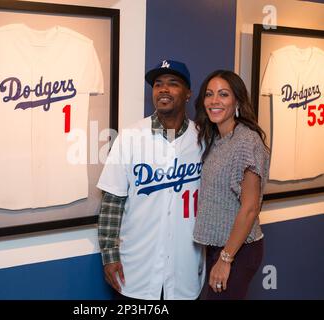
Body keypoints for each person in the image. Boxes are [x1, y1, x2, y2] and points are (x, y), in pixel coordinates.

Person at [96, 59, 205, 300]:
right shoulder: (130, 136)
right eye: (158, 84)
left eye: (173, 83)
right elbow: (112, 202)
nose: (163, 89)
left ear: (188, 93)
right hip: (136, 268)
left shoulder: (202, 139)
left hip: (185, 267)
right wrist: (109, 256)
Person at [193, 70, 270, 300]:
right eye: (209, 94)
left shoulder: (247, 141)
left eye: (223, 94)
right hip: (219, 247)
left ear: (237, 100)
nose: (214, 101)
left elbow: (249, 208)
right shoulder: (216, 138)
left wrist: (225, 259)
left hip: (237, 251)